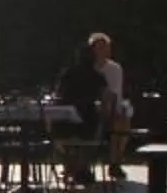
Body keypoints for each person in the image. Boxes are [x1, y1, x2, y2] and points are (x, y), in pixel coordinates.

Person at [53, 31, 130, 185]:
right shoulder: (96, 77)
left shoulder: (68, 74)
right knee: (95, 131)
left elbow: (57, 95)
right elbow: (108, 97)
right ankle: (80, 167)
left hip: (63, 125)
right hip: (88, 124)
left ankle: (77, 166)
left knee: (119, 121)